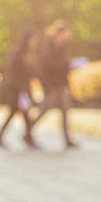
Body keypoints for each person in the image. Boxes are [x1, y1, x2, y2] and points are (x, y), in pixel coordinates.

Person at [32, 20, 78, 149]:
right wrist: (48, 86)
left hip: (61, 86)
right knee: (44, 110)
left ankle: (67, 139)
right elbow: (45, 69)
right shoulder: (48, 49)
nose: (66, 38)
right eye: (64, 35)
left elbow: (63, 67)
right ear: (58, 34)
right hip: (52, 86)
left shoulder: (62, 48)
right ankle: (28, 131)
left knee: (64, 112)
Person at [0, 29, 39, 150]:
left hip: (23, 89)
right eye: (33, 39)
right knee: (15, 113)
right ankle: (27, 138)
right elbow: (13, 73)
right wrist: (20, 88)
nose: (35, 42)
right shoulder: (18, 54)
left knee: (23, 114)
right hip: (17, 89)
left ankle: (27, 137)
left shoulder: (28, 53)